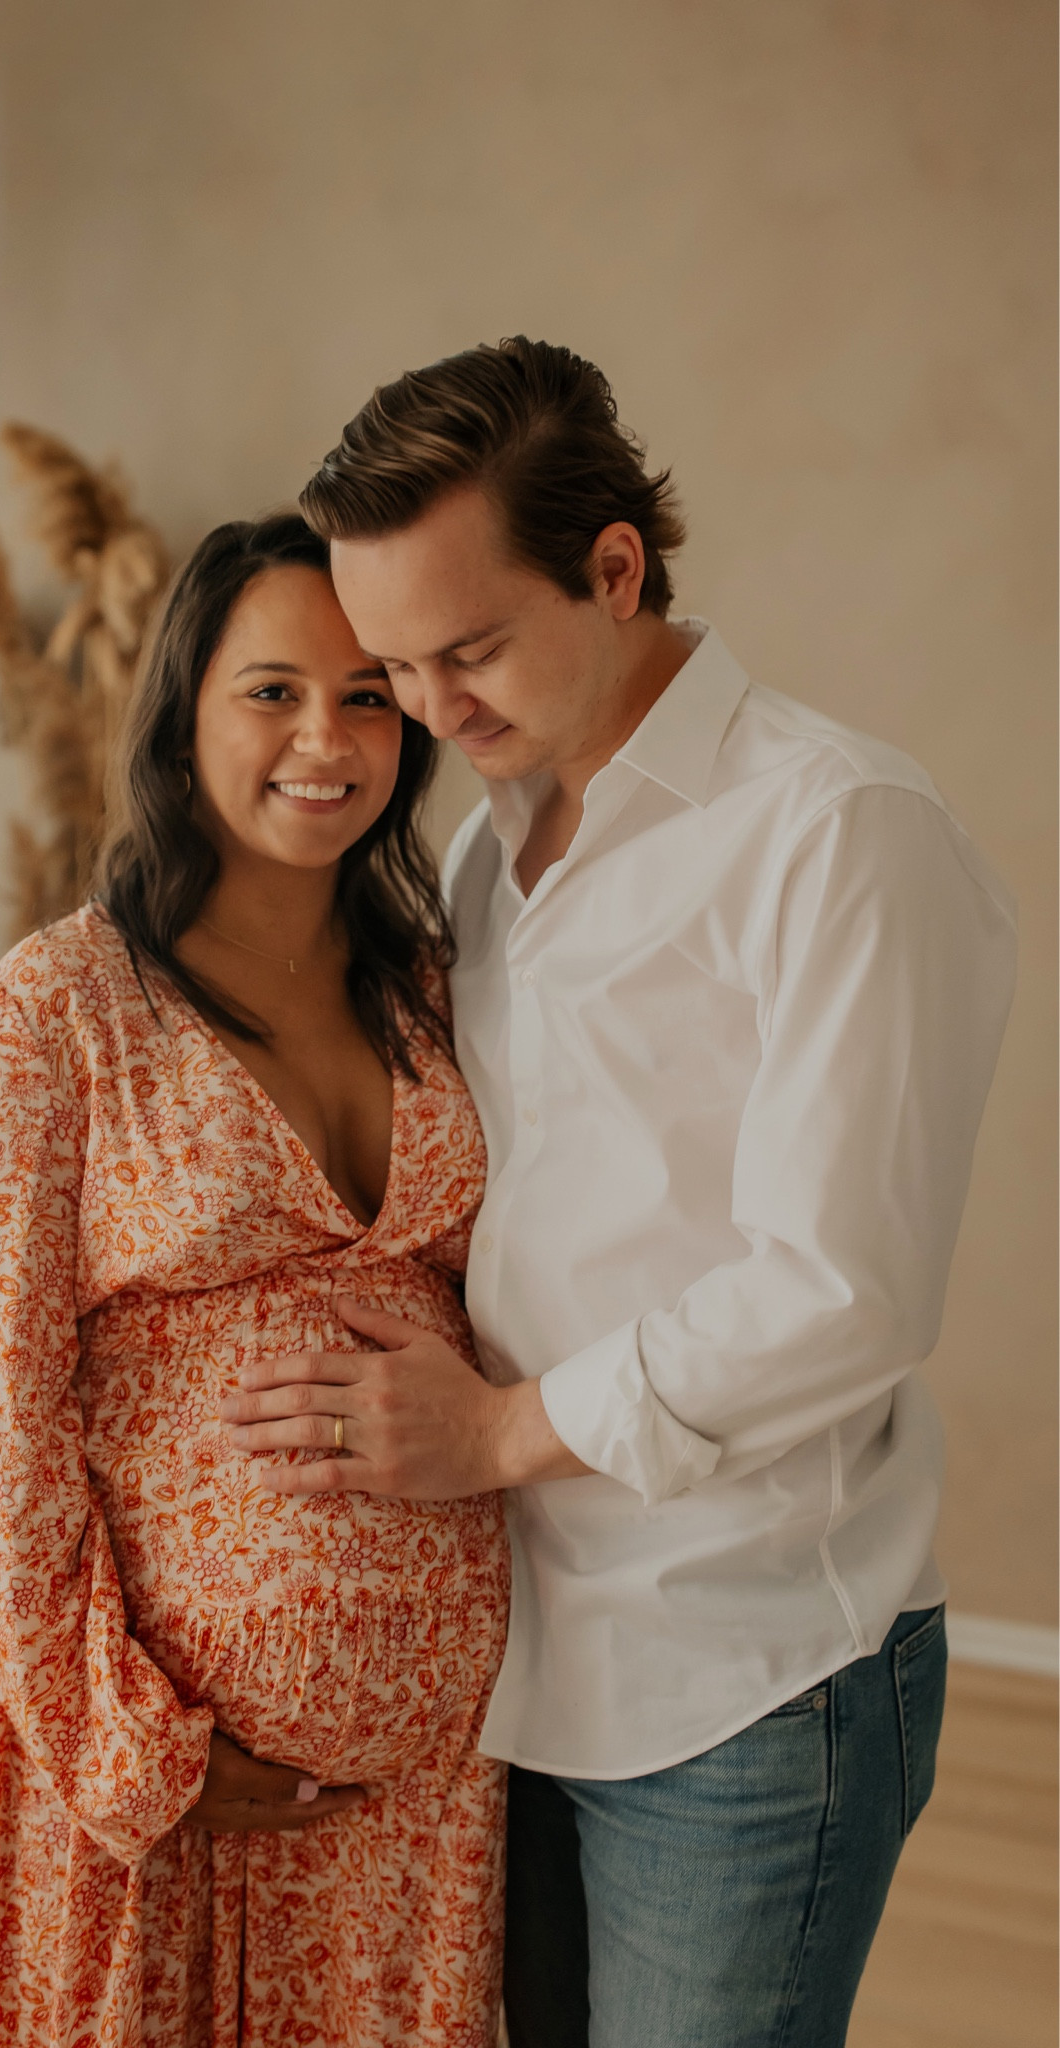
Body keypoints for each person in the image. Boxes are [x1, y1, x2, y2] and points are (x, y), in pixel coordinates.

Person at [221, 339, 1019, 2048]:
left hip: (740, 1669)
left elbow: (843, 1291)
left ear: (612, 566)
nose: (427, 711)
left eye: (471, 648)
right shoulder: (488, 841)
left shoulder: (839, 830)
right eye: (397, 665)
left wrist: (493, 1437)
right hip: (522, 1648)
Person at [0, 514, 510, 2048]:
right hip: (135, 1776)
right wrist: (130, 1746)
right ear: (180, 714)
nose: (326, 737)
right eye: (272, 690)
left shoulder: (438, 990)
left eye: (368, 694)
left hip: (412, 1800)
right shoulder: (47, 1013)